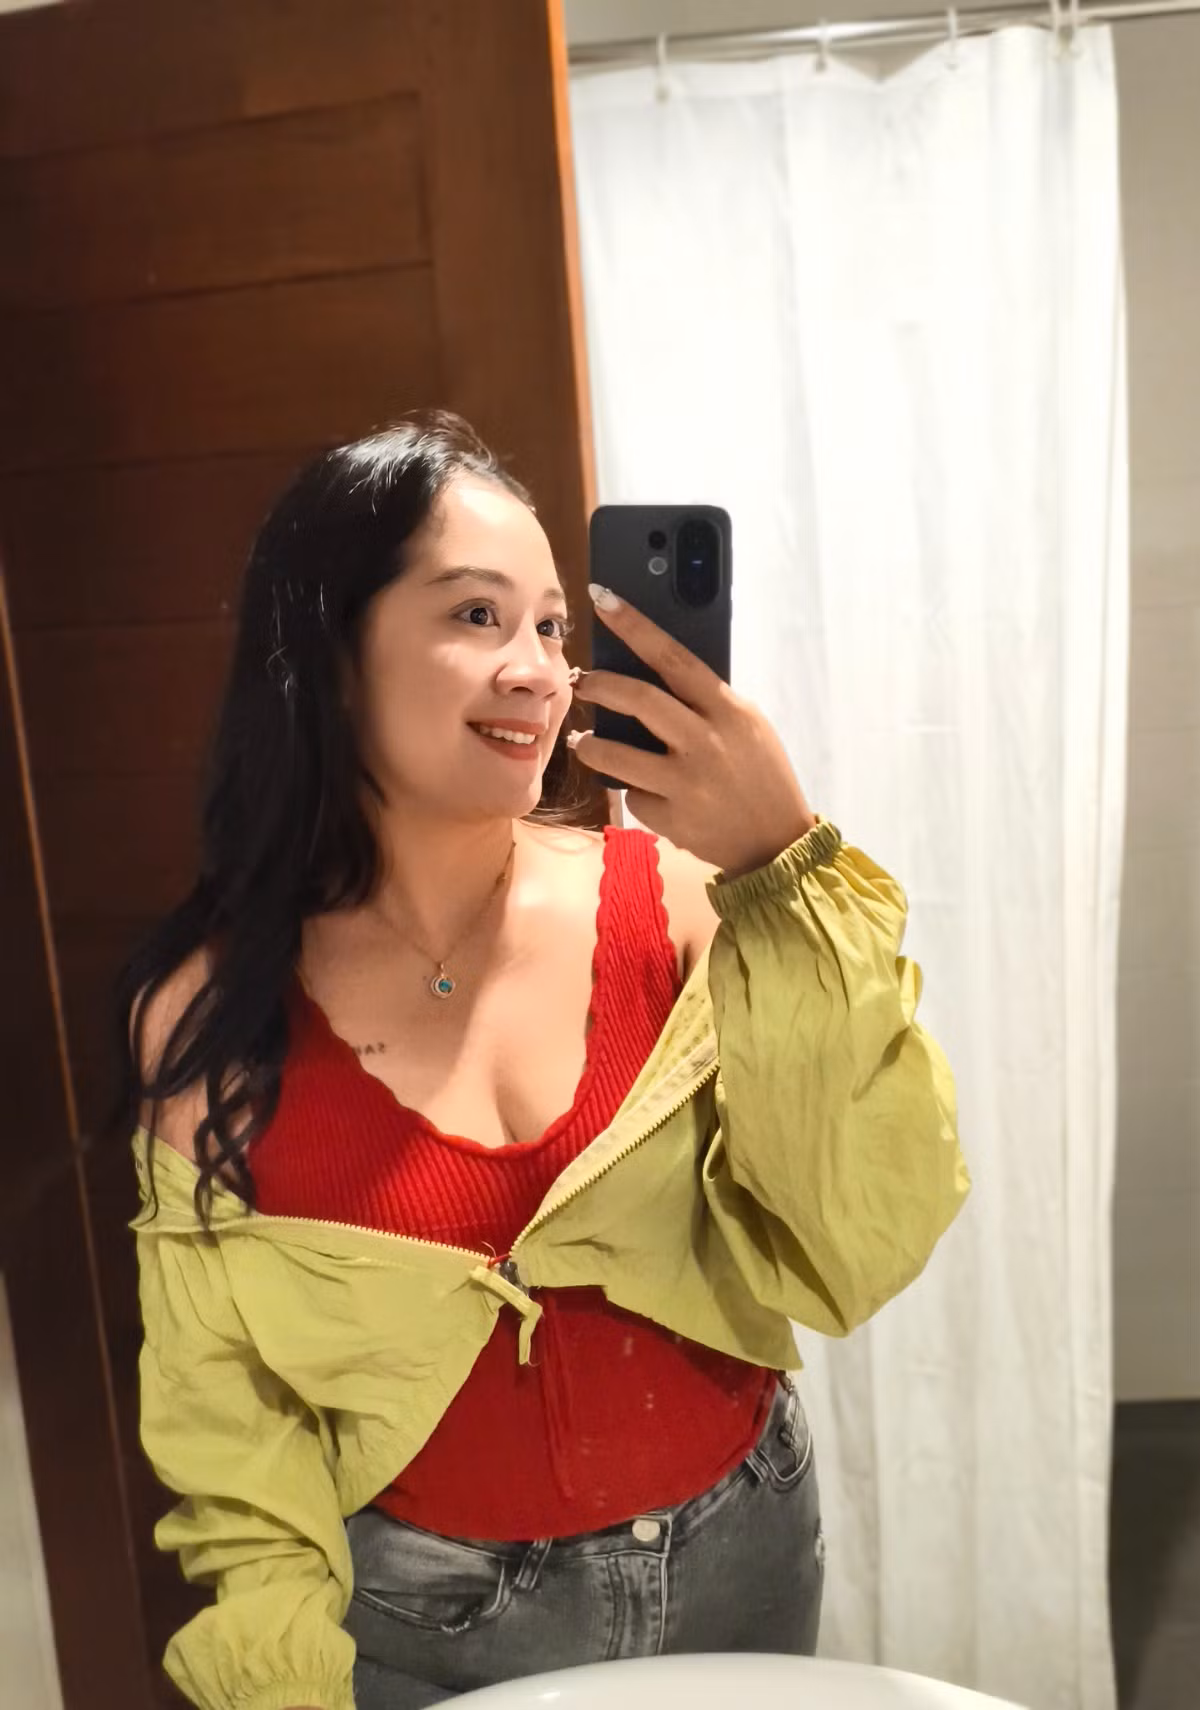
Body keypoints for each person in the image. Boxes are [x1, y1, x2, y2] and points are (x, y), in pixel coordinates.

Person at [120, 413, 969, 1710]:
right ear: (330, 648)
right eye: (477, 615)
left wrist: (782, 866)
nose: (538, 671)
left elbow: (855, 1245)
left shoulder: (676, 903)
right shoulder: (213, 1014)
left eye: (555, 628)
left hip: (741, 1546)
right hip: (424, 1618)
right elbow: (228, 1419)